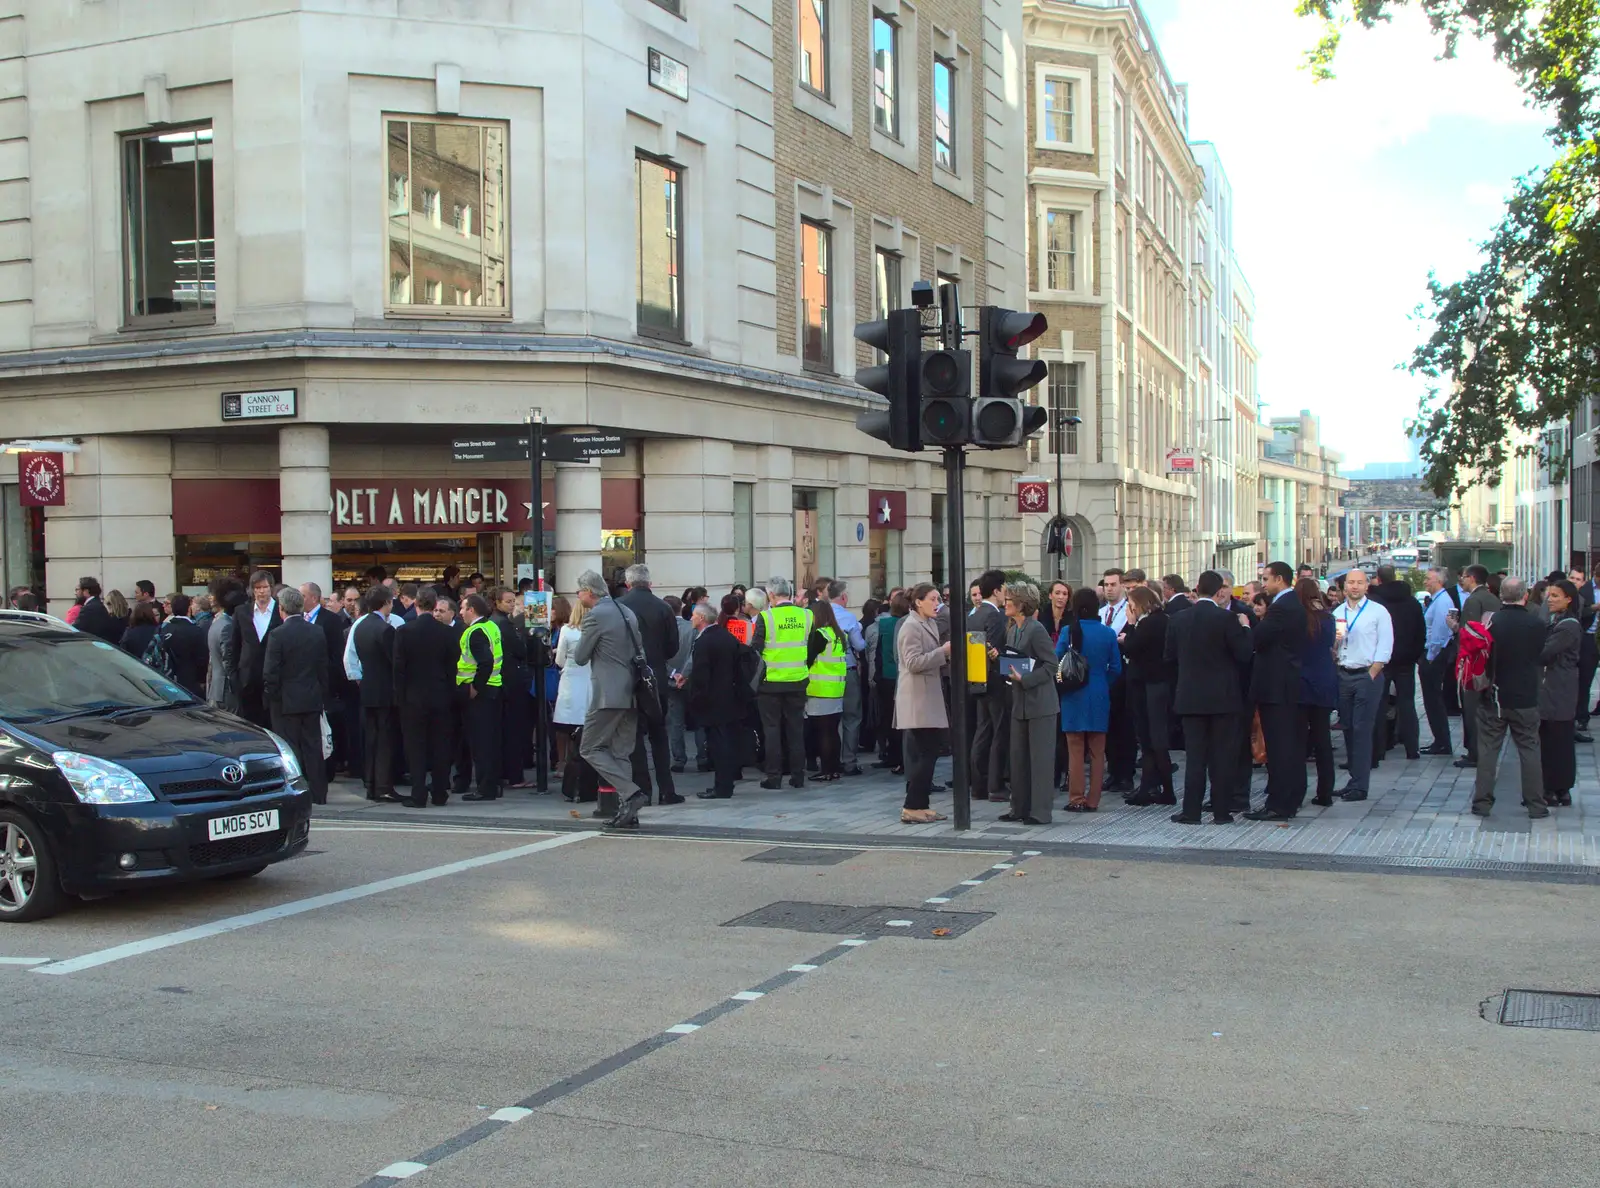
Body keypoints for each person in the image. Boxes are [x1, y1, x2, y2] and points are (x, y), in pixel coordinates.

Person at [1165, 570, 1255, 825]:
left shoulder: (1179, 619)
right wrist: (1246, 629)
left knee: (1195, 757)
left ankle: (1191, 811)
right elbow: (1244, 654)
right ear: (1218, 592)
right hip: (1223, 698)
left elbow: (1169, 656)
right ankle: (1221, 812)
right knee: (1222, 757)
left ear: (1197, 588)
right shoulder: (1226, 619)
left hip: (1191, 697)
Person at [571, 569, 647, 828]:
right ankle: (629, 813)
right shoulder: (626, 611)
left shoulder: (595, 616)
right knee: (621, 752)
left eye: (579, 591)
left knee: (590, 748)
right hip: (633, 692)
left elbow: (580, 657)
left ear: (589, 592)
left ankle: (631, 793)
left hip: (607, 694)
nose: (578, 596)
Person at [1472, 577, 1548, 819]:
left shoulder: (1490, 623)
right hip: (1525, 695)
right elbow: (1539, 656)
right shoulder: (1536, 624)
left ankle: (1482, 803)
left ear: (1500, 596)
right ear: (1524, 595)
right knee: (1529, 750)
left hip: (1494, 696)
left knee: (1488, 751)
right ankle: (1536, 804)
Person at [1245, 561, 1308, 821]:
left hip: (1277, 687)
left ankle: (1279, 804)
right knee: (1287, 746)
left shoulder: (1282, 607)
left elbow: (1259, 638)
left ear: (1280, 579)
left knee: (1280, 748)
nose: (1264, 584)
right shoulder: (1289, 604)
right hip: (1283, 685)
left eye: (1267, 579)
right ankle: (1288, 798)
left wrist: (1245, 625)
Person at [993, 581, 1060, 824]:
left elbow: (1051, 664)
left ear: (1022, 603)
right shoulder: (1013, 629)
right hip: (1019, 702)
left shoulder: (1037, 629)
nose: (1006, 602)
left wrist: (1027, 678)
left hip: (1040, 703)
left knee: (1040, 760)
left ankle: (1040, 812)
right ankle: (1018, 808)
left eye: (1010, 599)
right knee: (1018, 758)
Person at [617, 564, 681, 805]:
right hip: (656, 678)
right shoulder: (664, 607)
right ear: (650, 583)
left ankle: (642, 790)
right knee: (659, 734)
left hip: (629, 677)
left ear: (628, 583)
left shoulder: (620, 606)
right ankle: (667, 790)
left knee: (634, 736)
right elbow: (672, 648)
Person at [261, 586, 329, 805]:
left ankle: (297, 791)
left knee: (290, 748)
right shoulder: (316, 631)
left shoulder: (277, 634)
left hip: (285, 701)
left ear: (281, 609)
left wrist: (272, 695)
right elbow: (323, 668)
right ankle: (319, 792)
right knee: (313, 747)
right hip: (311, 697)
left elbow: (271, 671)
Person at [1057, 586, 1123, 812]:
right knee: (1097, 751)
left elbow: (1058, 662)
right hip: (1099, 693)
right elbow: (1115, 667)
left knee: (1075, 749)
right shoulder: (1107, 633)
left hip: (1073, 693)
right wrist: (1103, 683)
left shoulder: (1068, 631)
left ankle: (1076, 798)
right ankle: (1094, 800)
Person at [393, 586, 458, 807]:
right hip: (441, 696)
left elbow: (398, 669)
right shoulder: (448, 633)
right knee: (441, 746)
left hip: (413, 698)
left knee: (416, 747)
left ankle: (418, 793)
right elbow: (453, 669)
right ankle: (440, 792)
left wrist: (400, 698)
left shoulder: (404, 632)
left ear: (416, 604)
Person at [1332, 568, 1393, 801]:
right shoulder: (1338, 612)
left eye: (1359, 583)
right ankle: (1353, 779)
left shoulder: (1378, 612)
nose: (1354, 587)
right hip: (1344, 673)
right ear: (1344, 586)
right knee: (1347, 727)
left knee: (1361, 729)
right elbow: (1335, 648)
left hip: (1367, 675)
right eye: (1351, 583)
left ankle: (1361, 785)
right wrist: (1335, 644)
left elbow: (1386, 644)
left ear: (1367, 586)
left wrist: (1373, 671)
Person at [895, 583, 950, 824]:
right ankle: (911, 805)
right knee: (926, 752)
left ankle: (921, 804)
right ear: (918, 601)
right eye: (933, 598)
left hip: (928, 695)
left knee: (929, 751)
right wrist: (943, 652)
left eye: (938, 598)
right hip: (917, 698)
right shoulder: (910, 627)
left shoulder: (928, 623)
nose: (937, 603)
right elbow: (912, 662)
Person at [751, 576, 812, 790]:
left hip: (771, 682)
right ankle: (798, 776)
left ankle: (774, 777)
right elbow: (810, 644)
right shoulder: (806, 615)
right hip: (797, 679)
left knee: (772, 730)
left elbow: (755, 648)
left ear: (770, 595)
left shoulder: (766, 617)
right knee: (796, 729)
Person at [687, 595, 750, 799]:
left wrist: (696, 700)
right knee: (727, 742)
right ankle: (725, 784)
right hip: (730, 697)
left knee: (718, 745)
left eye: (694, 616)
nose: (691, 619)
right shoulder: (725, 636)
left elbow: (701, 675)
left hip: (713, 701)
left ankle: (722, 787)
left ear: (702, 618)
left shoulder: (705, 641)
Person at [1120, 586, 1175, 806]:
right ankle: (1149, 787)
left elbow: (1133, 647)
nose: (1129, 608)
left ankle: (1164, 789)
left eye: (1131, 603)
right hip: (1153, 686)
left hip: (1151, 686)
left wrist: (1131, 627)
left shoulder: (1151, 623)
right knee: (1150, 739)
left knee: (1153, 739)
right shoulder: (1160, 620)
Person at [1368, 566, 1424, 763]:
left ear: (1378, 580)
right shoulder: (1412, 602)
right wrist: (1413, 655)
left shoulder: (1374, 602)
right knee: (1407, 703)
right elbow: (1421, 632)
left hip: (1381, 659)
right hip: (1406, 660)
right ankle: (1412, 748)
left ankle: (1379, 749)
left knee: (1379, 704)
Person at [353, 587, 401, 803]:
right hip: (384, 692)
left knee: (371, 739)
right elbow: (395, 663)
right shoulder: (385, 629)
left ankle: (371, 784)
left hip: (367, 689)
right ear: (386, 602)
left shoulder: (361, 626)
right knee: (385, 741)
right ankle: (383, 786)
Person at [966, 569, 1010, 804]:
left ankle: (979, 785)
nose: (1006, 594)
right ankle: (995, 785)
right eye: (1004, 589)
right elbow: (993, 649)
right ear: (996, 591)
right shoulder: (995, 616)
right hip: (994, 680)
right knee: (998, 733)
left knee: (983, 731)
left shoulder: (974, 614)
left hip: (978, 678)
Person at [454, 593, 503, 802]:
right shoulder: (491, 626)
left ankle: (485, 788)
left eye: (463, 608)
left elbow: (485, 661)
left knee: (481, 744)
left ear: (472, 609)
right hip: (493, 688)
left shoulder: (475, 632)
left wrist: (474, 687)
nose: (461, 613)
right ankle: (492, 785)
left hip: (480, 694)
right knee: (490, 741)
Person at [1296, 579, 1339, 807]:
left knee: (1298, 740)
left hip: (1301, 684)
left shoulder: (1298, 619)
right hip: (1324, 681)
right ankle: (1325, 792)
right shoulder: (1328, 619)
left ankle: (1298, 789)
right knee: (1323, 738)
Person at [1538, 579, 1580, 807]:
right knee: (1554, 736)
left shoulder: (1568, 626)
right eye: (1549, 595)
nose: (1550, 599)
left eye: (1555, 596)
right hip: (1556, 686)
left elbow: (1546, 653)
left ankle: (1556, 787)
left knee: (1557, 737)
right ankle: (1558, 787)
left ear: (1568, 599)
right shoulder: (1558, 621)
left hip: (1559, 687)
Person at [822, 580, 868, 776]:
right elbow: (860, 646)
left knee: (832, 718)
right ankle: (848, 760)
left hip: (823, 673)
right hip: (846, 669)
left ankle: (832, 761)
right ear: (843, 597)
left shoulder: (818, 616)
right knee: (852, 716)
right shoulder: (848, 618)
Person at [1456, 565, 1500, 768]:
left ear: (1472, 578)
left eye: (1464, 577)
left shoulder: (1473, 600)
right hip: (1491, 660)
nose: (1461, 581)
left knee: (1472, 708)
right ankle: (1482, 748)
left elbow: (1470, 635)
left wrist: (1456, 628)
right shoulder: (1492, 598)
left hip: (1474, 663)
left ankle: (1474, 752)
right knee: (1486, 709)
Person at [1097, 569, 1136, 795]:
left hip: (1124, 676)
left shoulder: (1129, 612)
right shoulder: (1101, 613)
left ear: (1122, 586)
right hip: (1105, 677)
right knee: (1109, 726)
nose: (1109, 588)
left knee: (1125, 727)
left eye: (1113, 584)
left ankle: (1126, 774)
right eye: (1106, 585)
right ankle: (1113, 772)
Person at [490, 587, 532, 789]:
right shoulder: (504, 624)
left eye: (513, 601)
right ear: (497, 602)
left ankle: (507, 772)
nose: (512, 604)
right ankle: (515, 775)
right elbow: (520, 649)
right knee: (514, 729)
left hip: (503, 680)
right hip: (511, 680)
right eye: (508, 601)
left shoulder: (497, 622)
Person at [228, 569, 281, 727]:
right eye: (257, 588)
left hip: (274, 681)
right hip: (247, 682)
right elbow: (234, 646)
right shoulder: (241, 612)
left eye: (264, 587)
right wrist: (234, 678)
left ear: (271, 588)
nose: (261, 591)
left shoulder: (281, 611)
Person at [803, 596, 847, 781]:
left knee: (823, 733)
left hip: (819, 689)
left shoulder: (820, 635)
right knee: (832, 731)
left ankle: (827, 770)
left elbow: (807, 659)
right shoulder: (837, 634)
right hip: (836, 689)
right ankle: (834, 768)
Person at [1418, 568, 1457, 755]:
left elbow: (1440, 632)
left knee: (1433, 700)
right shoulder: (1438, 600)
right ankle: (1440, 740)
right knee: (1431, 700)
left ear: (1439, 581)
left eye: (1428, 579)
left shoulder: (1442, 601)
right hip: (1433, 653)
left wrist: (1430, 656)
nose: (1425, 582)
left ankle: (1442, 742)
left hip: (1435, 655)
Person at [871, 589, 908, 773]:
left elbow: (877, 652)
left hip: (885, 676)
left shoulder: (883, 624)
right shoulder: (906, 624)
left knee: (887, 719)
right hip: (901, 676)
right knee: (902, 721)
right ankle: (902, 758)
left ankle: (890, 754)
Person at [159, 593, 209, 698]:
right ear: (189, 608)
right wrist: (202, 680)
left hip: (167, 680)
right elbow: (202, 658)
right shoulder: (195, 631)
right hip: (190, 682)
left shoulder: (163, 629)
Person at [74, 576, 124, 644]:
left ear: (86, 591)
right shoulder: (96, 604)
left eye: (78, 589)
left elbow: (75, 629)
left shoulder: (89, 608)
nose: (76, 593)